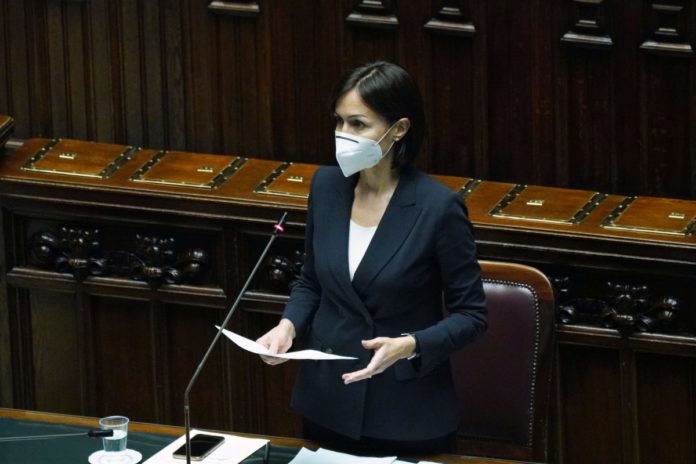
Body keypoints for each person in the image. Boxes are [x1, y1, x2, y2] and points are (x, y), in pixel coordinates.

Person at [257, 61, 487, 456]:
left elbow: (472, 316)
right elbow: (312, 280)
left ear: (399, 129)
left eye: (358, 124)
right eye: (339, 121)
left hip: (403, 412)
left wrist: (410, 344)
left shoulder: (438, 208)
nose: (343, 134)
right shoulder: (326, 186)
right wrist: (287, 326)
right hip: (327, 403)